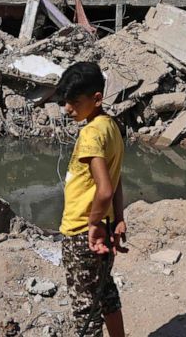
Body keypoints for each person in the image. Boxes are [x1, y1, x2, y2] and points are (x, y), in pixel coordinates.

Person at [56, 61, 126, 337]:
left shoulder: (90, 134)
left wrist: (94, 224)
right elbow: (116, 179)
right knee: (104, 292)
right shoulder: (111, 126)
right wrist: (118, 217)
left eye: (74, 102)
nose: (67, 109)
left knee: (85, 309)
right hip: (105, 226)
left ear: (97, 99)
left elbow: (105, 189)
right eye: (65, 101)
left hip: (82, 231)